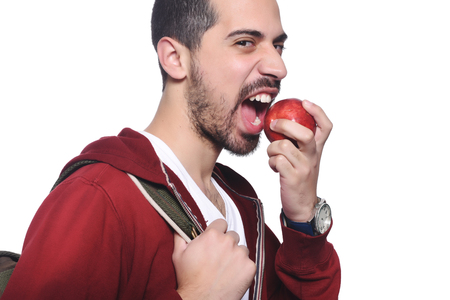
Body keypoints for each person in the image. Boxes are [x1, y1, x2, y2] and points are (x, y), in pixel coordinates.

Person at [2, 0, 341, 299]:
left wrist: (302, 217)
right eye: (245, 42)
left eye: (277, 46)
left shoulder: (240, 201)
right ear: (175, 58)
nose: (278, 68)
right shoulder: (100, 196)